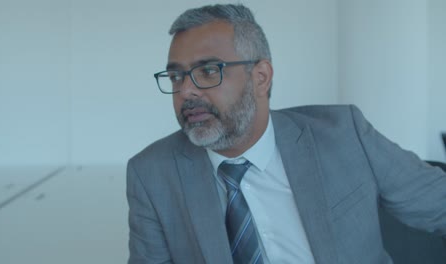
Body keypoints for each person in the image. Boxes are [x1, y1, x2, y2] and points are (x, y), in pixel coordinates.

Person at [126, 4, 446, 264]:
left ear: (261, 77)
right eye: (176, 76)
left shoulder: (345, 135)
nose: (186, 91)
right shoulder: (153, 173)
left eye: (208, 71)